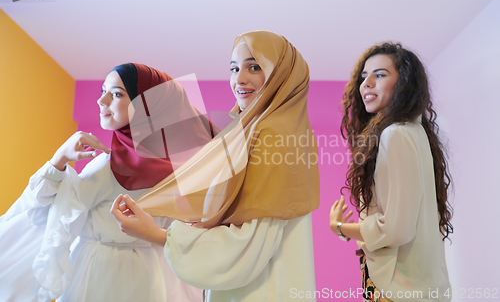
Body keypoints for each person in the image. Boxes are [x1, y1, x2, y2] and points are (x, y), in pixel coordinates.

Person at [111, 30, 320, 301]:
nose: (239, 79)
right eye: (234, 68)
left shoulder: (273, 134)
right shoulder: (256, 131)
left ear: (281, 74)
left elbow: (248, 247)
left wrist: (160, 236)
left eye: (254, 66)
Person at [0, 63, 214, 302]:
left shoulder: (107, 166)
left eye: (117, 94)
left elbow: (44, 217)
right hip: (149, 278)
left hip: (98, 275)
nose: (101, 101)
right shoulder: (180, 171)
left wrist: (58, 160)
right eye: (103, 90)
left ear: (147, 106)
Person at [329, 43, 453, 302]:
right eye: (364, 76)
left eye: (380, 74)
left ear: (404, 83)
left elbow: (395, 230)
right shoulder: (415, 132)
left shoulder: (395, 134)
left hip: (400, 291)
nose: (367, 83)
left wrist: (340, 227)